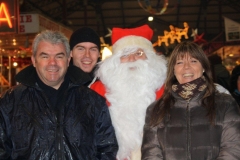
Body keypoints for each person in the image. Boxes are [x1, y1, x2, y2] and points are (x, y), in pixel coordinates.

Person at [0, 30, 118, 159]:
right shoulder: (11, 101)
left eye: (59, 56)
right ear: (34, 60)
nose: (52, 63)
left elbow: (107, 148)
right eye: (45, 56)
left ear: (68, 60)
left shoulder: (92, 101)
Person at [141, 41, 240, 160]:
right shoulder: (156, 109)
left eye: (193, 61)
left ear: (203, 67)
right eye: (180, 62)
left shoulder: (225, 104)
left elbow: (233, 148)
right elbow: (151, 152)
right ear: (173, 70)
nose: (186, 67)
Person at [90, 25, 167, 160]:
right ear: (115, 61)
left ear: (150, 58)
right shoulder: (97, 91)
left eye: (139, 53)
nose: (132, 59)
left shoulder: (166, 91)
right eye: (124, 54)